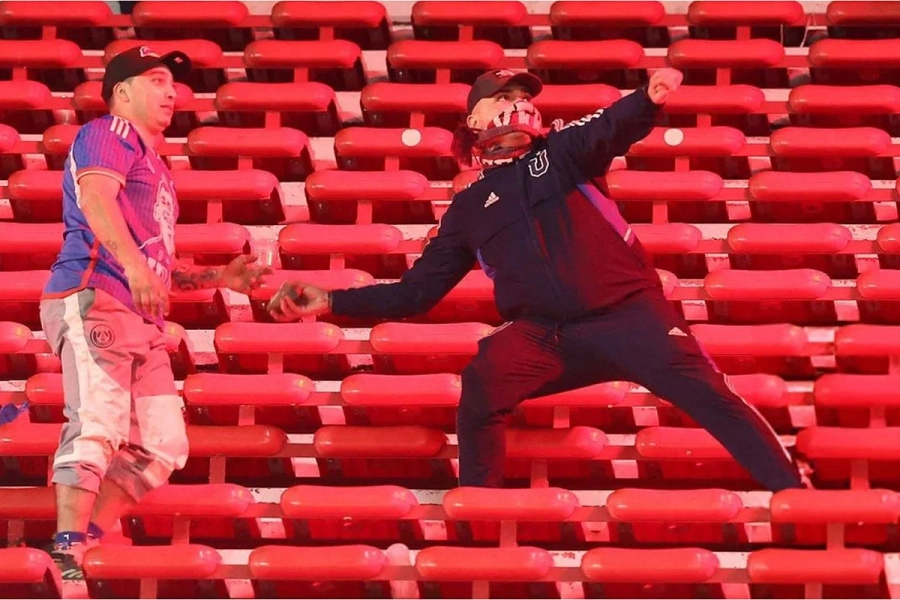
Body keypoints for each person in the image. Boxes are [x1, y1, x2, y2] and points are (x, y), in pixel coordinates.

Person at [267, 68, 806, 493]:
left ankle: (793, 493)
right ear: (474, 122)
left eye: (523, 96)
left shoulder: (563, 152)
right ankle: (479, 517)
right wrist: (331, 298)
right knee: (484, 381)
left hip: (632, 316)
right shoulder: (468, 208)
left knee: (714, 397)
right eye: (503, 98)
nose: (518, 104)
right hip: (547, 334)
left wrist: (649, 97)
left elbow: (610, 127)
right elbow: (416, 293)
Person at [40, 45, 270, 580]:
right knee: (97, 422)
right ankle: (67, 552)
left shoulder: (155, 165)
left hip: (137, 313)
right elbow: (95, 199)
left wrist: (219, 278)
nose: (173, 92)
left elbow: (157, 263)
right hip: (97, 292)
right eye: (158, 80)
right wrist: (137, 272)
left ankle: (85, 544)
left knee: (162, 442)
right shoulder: (111, 132)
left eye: (174, 83)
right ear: (122, 92)